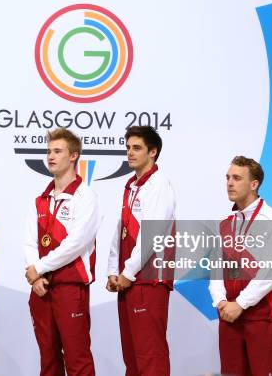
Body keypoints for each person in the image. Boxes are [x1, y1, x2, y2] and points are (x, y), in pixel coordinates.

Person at [24, 128, 100, 376]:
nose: (51, 156)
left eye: (58, 151)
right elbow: (29, 241)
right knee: (48, 361)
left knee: (78, 360)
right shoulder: (40, 199)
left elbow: (76, 242)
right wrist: (35, 276)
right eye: (48, 151)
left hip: (70, 287)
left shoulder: (85, 196)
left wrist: (40, 268)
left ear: (73, 156)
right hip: (41, 289)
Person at [208, 156, 272, 376]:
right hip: (229, 316)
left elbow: (271, 272)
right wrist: (221, 301)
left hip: (261, 316)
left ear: (254, 184)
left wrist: (241, 304)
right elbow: (215, 270)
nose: (229, 183)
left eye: (236, 178)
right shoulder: (225, 224)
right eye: (227, 178)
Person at [107, 126, 176, 376]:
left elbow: (151, 235)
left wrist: (127, 272)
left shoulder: (159, 185)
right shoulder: (131, 186)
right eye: (128, 148)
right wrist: (113, 271)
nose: (130, 153)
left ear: (153, 152)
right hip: (130, 280)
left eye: (137, 148)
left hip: (149, 280)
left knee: (150, 355)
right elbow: (121, 231)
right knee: (132, 356)